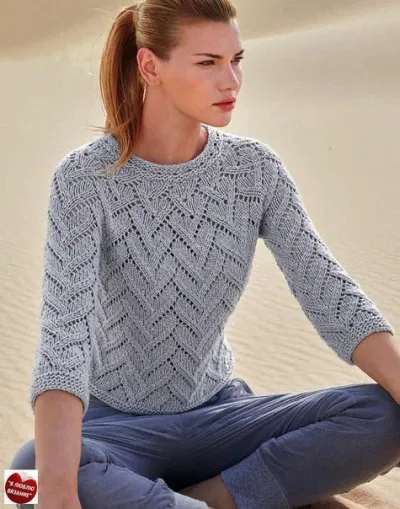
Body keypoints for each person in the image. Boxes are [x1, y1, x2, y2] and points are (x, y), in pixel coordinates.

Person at [9, 1, 400, 508]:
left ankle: (209, 499)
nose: (231, 80)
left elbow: (329, 293)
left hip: (222, 417)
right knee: (25, 477)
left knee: (387, 414)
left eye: (236, 60)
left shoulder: (254, 170)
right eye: (208, 62)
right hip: (115, 428)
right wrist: (58, 494)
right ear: (150, 66)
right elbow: (64, 340)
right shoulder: (85, 180)